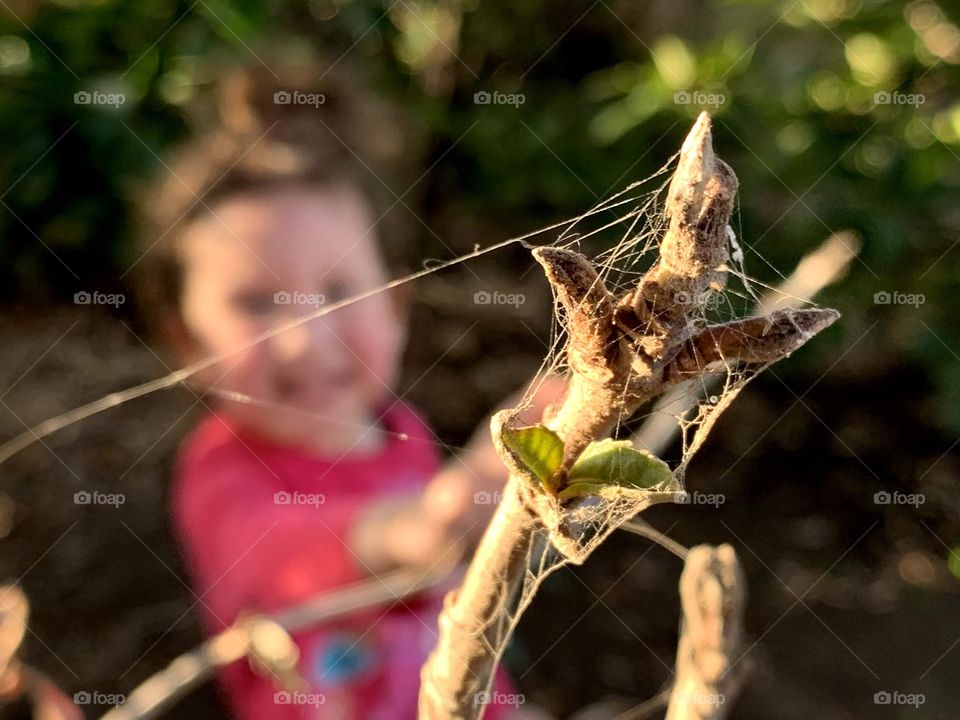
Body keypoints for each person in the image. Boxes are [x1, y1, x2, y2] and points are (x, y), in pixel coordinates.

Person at [136, 59, 558, 719]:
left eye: (337, 291)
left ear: (397, 308)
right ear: (186, 344)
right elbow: (283, 556)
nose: (304, 339)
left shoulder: (404, 430)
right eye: (254, 302)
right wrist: (422, 522)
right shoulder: (218, 474)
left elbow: (443, 604)